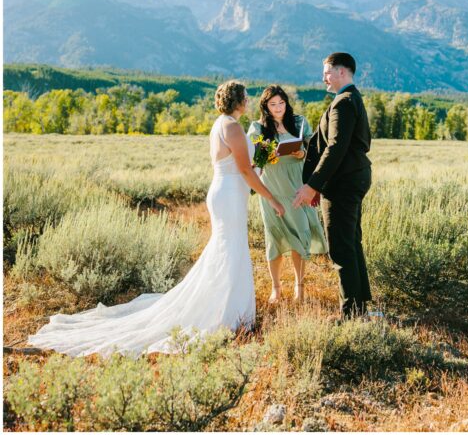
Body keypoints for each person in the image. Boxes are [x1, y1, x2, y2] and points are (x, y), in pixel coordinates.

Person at [26, 81, 286, 356]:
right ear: (237, 100)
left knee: (228, 250)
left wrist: (264, 158)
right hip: (230, 194)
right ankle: (227, 316)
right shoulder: (231, 127)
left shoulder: (222, 124)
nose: (248, 100)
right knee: (230, 251)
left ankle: (229, 312)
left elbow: (243, 164)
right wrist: (271, 197)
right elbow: (245, 170)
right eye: (245, 96)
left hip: (229, 192)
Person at [292, 52, 373, 319]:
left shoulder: (344, 103)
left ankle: (350, 314)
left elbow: (336, 147)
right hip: (352, 179)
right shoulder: (352, 99)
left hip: (343, 183)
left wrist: (313, 186)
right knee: (351, 242)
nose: (323, 77)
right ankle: (360, 307)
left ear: (342, 72)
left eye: (327, 71)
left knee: (340, 246)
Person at [247, 85, 328, 304]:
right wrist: (267, 152)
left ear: (286, 103)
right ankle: (276, 288)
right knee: (274, 238)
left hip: (296, 187)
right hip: (272, 188)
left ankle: (299, 286)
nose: (278, 108)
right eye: (272, 104)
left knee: (299, 236)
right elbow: (252, 159)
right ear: (265, 106)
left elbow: (315, 150)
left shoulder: (300, 122)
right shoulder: (257, 128)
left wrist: (301, 151)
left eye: (281, 103)